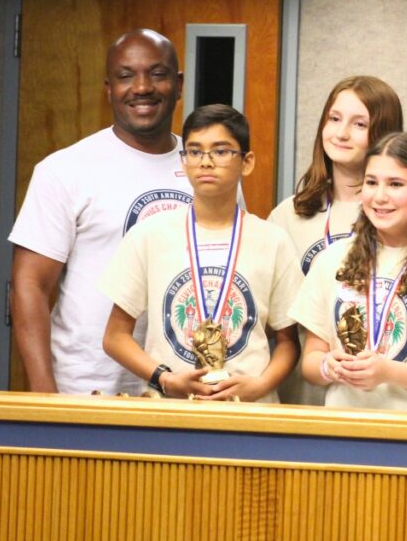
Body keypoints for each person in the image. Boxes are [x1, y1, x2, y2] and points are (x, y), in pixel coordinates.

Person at [8, 29, 194, 395]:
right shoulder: (65, 170)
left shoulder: (208, 167)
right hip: (87, 387)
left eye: (157, 74)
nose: (142, 87)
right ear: (109, 89)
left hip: (185, 388)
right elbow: (30, 285)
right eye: (126, 76)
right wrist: (45, 395)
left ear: (179, 84)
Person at [100, 105, 301, 402]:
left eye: (220, 151)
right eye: (194, 151)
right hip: (171, 409)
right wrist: (165, 379)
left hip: (248, 411)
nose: (206, 162)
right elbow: (115, 337)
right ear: (183, 162)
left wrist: (259, 386)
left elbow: (288, 342)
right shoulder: (149, 235)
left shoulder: (273, 241)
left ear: (246, 162)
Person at [290, 132, 407, 414]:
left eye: (395, 184)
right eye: (371, 182)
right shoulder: (332, 259)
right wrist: (327, 366)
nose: (380, 197)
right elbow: (311, 361)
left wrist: (388, 372)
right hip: (344, 427)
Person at [268, 76, 403, 405]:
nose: (341, 133)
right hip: (302, 393)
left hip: (382, 397)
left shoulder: (400, 215)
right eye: (334, 118)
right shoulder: (288, 215)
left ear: (384, 134)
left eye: (359, 124)